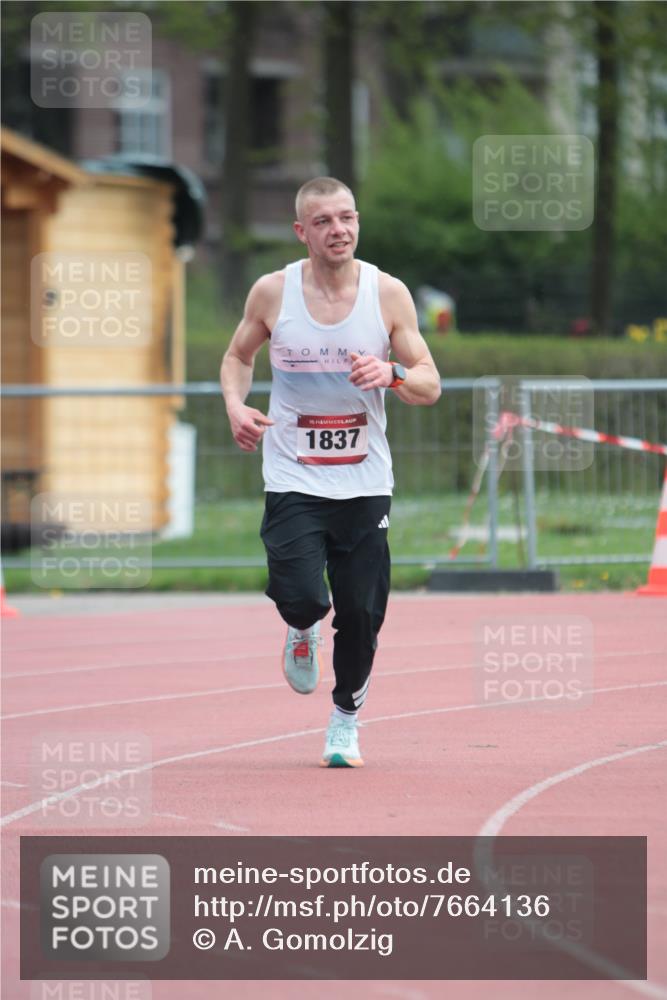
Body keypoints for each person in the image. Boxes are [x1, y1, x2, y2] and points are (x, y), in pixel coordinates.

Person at [220, 176, 441, 768]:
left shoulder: (387, 293)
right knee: (299, 596)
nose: (338, 230)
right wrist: (236, 406)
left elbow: (429, 383)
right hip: (293, 475)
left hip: (365, 481)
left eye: (347, 218)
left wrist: (392, 374)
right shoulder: (273, 292)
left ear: (358, 222)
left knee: (362, 613)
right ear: (302, 231)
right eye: (323, 221)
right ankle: (301, 627)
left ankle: (344, 723)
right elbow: (238, 356)